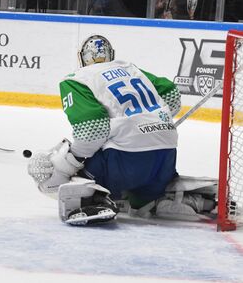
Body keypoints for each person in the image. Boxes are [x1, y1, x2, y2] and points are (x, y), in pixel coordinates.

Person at [27, 35, 184, 225]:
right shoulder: (130, 68)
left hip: (125, 161)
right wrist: (149, 121)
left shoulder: (77, 80)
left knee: (61, 171)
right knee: (142, 188)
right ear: (112, 54)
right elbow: (171, 95)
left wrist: (72, 159)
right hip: (166, 157)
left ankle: (95, 199)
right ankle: (150, 199)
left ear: (82, 58)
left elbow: (93, 130)